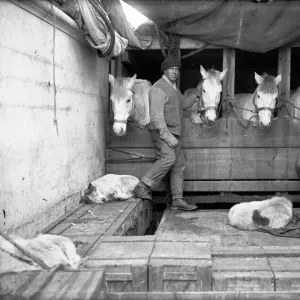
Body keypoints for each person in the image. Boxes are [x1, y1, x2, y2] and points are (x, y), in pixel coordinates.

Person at [133, 55, 198, 211]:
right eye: (171, 69)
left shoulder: (173, 88)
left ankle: (177, 199)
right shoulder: (158, 88)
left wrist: (196, 96)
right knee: (168, 158)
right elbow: (156, 116)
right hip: (163, 132)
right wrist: (167, 136)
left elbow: (182, 104)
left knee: (178, 166)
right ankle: (142, 186)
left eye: (177, 69)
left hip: (176, 132)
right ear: (165, 70)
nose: (175, 72)